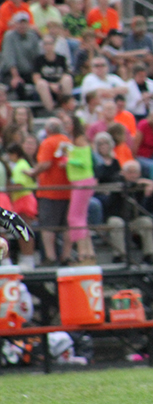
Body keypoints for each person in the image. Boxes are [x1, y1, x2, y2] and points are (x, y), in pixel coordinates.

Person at [25, 118, 71, 265]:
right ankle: (66, 256)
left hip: (50, 190)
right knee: (67, 226)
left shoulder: (48, 142)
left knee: (47, 226)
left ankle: (50, 257)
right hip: (67, 190)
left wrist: (33, 173)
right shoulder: (67, 141)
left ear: (48, 130)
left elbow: (45, 163)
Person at [106, 160, 153, 263]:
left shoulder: (141, 184)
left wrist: (151, 183)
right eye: (130, 172)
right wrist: (144, 183)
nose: (133, 175)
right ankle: (120, 255)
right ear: (123, 172)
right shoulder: (117, 181)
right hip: (118, 216)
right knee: (116, 223)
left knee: (146, 221)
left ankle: (149, 255)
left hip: (134, 218)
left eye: (135, 172)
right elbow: (122, 184)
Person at [64, 116, 96, 265]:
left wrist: (68, 160)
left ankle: (83, 253)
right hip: (80, 181)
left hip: (82, 181)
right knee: (80, 217)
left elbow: (85, 162)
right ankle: (88, 252)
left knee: (74, 217)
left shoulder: (79, 139)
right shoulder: (75, 140)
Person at [2, 12, 41, 100]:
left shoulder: (32, 36)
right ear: (15, 24)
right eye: (20, 23)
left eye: (24, 23)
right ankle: (24, 106)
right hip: (11, 73)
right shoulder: (9, 36)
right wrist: (15, 76)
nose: (22, 26)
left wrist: (37, 74)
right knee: (18, 84)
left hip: (29, 72)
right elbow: (9, 58)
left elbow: (37, 57)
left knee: (42, 82)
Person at [33, 34, 73, 111]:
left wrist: (58, 84)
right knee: (41, 84)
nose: (48, 46)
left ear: (54, 45)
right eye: (45, 44)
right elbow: (36, 77)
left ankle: (68, 107)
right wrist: (51, 85)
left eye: (50, 43)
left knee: (67, 79)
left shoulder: (61, 58)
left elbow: (65, 73)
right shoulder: (38, 59)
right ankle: (51, 110)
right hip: (46, 86)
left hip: (59, 85)